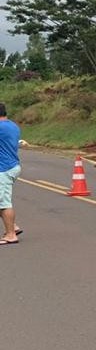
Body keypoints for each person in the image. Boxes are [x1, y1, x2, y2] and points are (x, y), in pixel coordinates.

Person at [0, 103, 22, 245]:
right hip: (12, 165)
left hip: (4, 169)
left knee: (4, 203)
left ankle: (11, 235)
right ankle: (12, 226)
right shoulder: (12, 125)